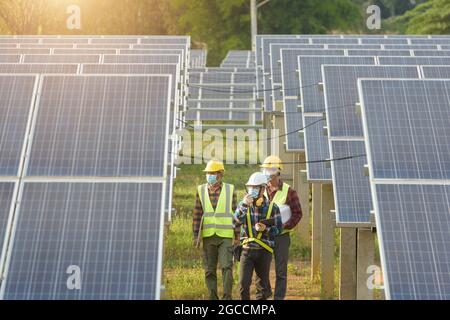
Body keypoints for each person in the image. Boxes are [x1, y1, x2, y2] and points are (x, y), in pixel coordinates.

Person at [257, 155, 303, 300]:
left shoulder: (289, 191)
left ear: (278, 172)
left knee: (280, 271)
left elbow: (297, 213)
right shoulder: (260, 190)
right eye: (266, 170)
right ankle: (263, 294)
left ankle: (278, 298)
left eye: (270, 170)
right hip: (263, 236)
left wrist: (284, 227)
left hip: (281, 236)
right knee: (261, 269)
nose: (267, 174)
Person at [192, 159, 239, 300]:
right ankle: (213, 297)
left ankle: (227, 298)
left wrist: (237, 236)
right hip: (208, 236)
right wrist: (196, 236)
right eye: (208, 173)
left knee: (226, 267)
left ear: (221, 174)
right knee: (209, 270)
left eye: (213, 173)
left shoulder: (230, 189)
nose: (210, 175)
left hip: (225, 236)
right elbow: (197, 214)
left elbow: (236, 214)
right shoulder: (200, 190)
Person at [234, 172, 283, 300]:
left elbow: (279, 229)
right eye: (250, 187)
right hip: (247, 250)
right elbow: (234, 222)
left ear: (263, 189)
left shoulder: (273, 208)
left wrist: (266, 229)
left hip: (264, 251)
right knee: (243, 284)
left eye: (255, 187)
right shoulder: (243, 205)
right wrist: (244, 205)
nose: (252, 190)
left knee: (262, 286)